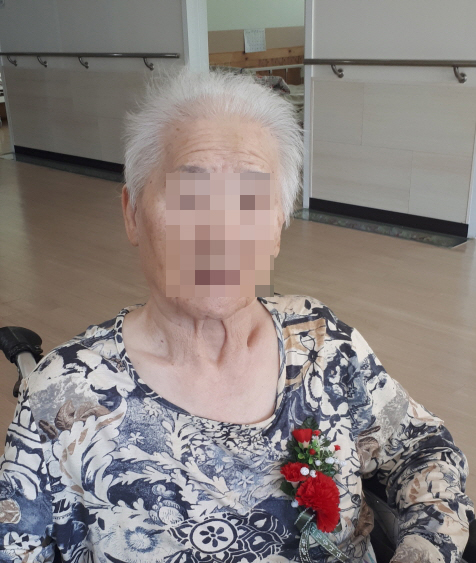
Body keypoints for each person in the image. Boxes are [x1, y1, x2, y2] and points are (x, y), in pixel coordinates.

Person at [0, 66, 473, 563]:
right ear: (132, 213)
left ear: (278, 225)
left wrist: (421, 551)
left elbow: (424, 450)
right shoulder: (62, 397)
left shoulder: (323, 343)